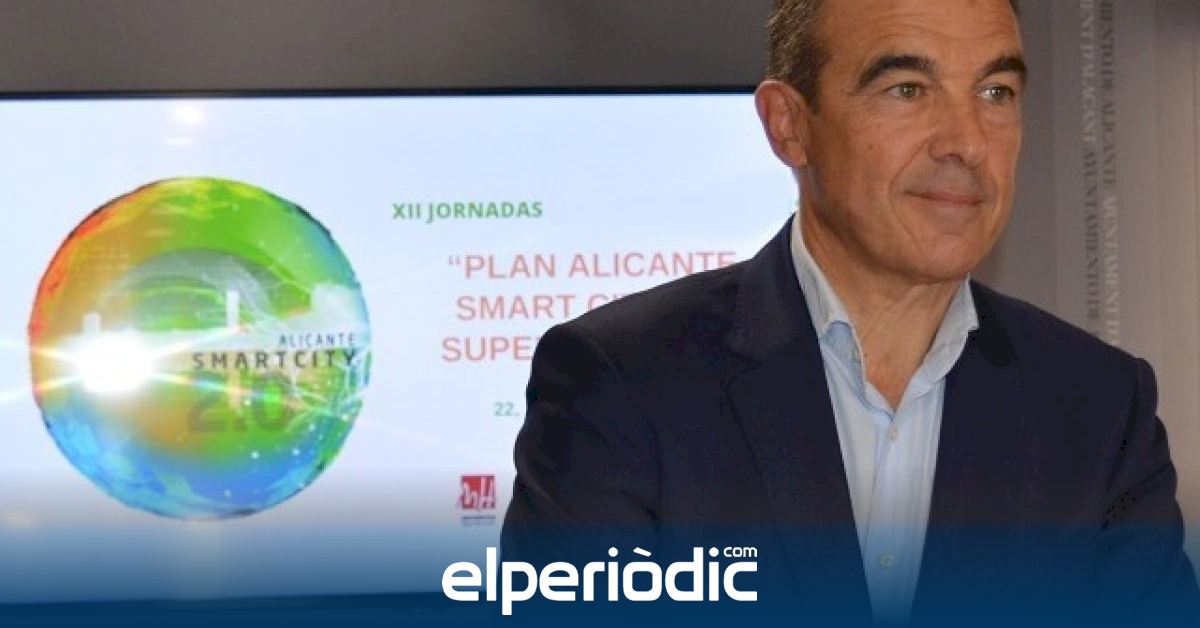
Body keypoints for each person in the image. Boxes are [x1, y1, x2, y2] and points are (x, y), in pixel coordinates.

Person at [502, 0, 1200, 623]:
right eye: (908, 89)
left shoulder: (1099, 406)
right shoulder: (623, 386)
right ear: (789, 125)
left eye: (995, 91)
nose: (966, 141)